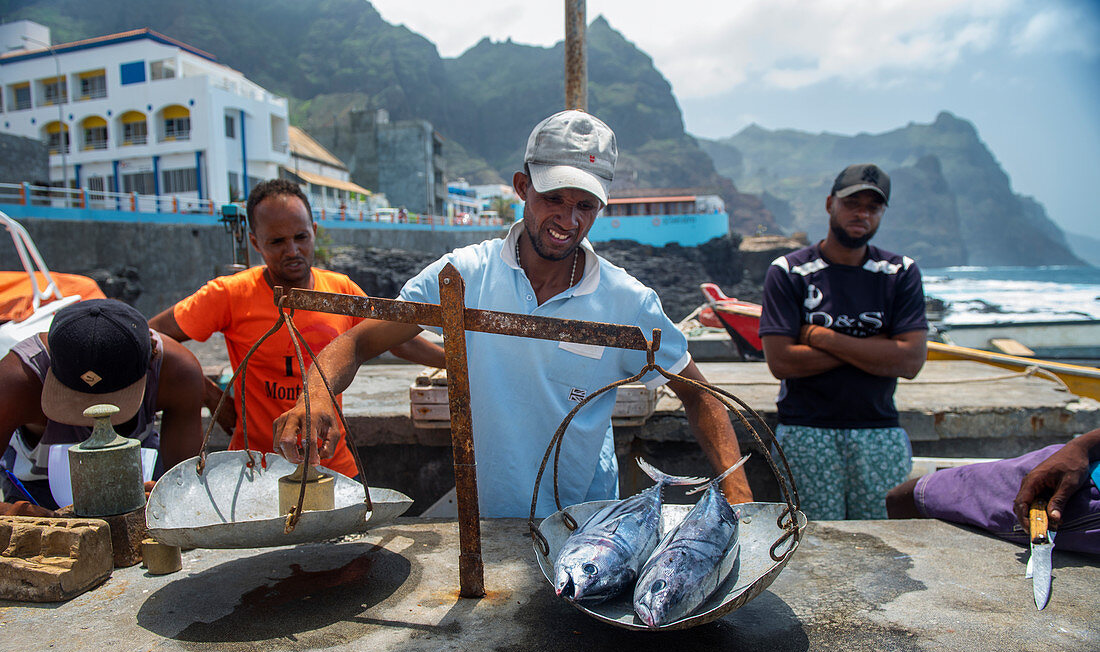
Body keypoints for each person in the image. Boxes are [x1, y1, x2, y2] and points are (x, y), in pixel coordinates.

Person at [273, 109, 751, 518]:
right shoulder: (462, 277)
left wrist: (741, 500)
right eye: (553, 199)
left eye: (585, 205)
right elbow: (359, 341)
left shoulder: (628, 302)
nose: (568, 220)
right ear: (523, 187)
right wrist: (312, 398)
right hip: (485, 519)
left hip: (584, 526)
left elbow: (699, 396)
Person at [150, 179, 443, 479]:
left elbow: (395, 339)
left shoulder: (340, 290)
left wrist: (453, 363)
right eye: (277, 242)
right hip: (258, 471)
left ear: (314, 232)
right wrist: (208, 394)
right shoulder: (228, 294)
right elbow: (153, 336)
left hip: (333, 469)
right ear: (255, 242)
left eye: (301, 237)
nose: (292, 250)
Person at [758, 163, 928, 520]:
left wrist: (821, 337)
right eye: (853, 203)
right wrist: (876, 346)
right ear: (830, 204)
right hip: (805, 431)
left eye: (873, 207)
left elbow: (911, 361)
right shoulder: (789, 272)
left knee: (884, 545)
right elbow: (782, 362)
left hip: (879, 432)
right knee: (812, 543)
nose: (862, 213)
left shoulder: (900, 273)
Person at [0, 299, 204, 512]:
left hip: (138, 479)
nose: (93, 421)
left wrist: (168, 497)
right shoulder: (16, 382)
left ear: (149, 368)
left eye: (110, 405)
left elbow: (186, 483)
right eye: (77, 402)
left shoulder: (176, 373)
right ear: (51, 366)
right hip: (38, 489)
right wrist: (20, 513)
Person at [885, 429, 1100, 554]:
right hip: (1083, 473)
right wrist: (1081, 447)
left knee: (906, 496)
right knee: (907, 496)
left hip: (1087, 498)